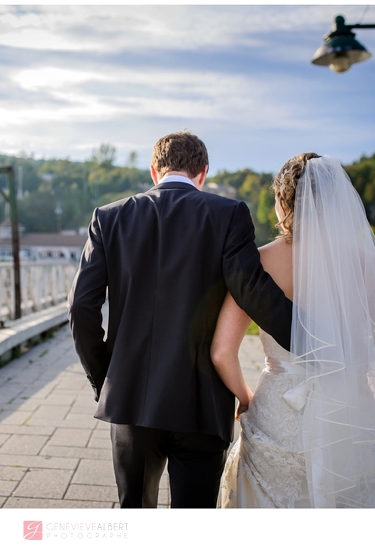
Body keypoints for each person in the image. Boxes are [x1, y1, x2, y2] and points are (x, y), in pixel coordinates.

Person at [67, 131, 293, 508]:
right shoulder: (228, 215)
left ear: (154, 171)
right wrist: (310, 337)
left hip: (131, 400)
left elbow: (80, 308)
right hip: (201, 404)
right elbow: (252, 291)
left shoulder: (108, 218)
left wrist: (106, 378)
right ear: (203, 173)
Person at [214, 153, 375, 508]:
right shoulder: (373, 267)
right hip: (352, 412)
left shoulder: (258, 264)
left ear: (283, 202)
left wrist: (246, 397)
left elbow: (222, 352)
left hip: (277, 413)